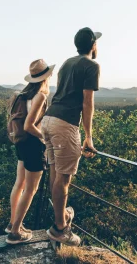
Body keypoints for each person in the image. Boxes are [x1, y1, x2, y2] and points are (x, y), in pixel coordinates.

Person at [43, 27, 102, 246]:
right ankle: (60, 229)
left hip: (48, 120)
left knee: (55, 173)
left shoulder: (67, 63)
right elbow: (87, 102)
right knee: (64, 178)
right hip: (65, 124)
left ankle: (61, 218)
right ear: (93, 45)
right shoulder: (92, 66)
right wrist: (89, 136)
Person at [6, 59, 55, 244]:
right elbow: (29, 125)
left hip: (21, 144)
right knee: (31, 189)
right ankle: (15, 233)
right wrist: (45, 138)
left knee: (19, 183)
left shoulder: (23, 94)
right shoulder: (41, 96)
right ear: (46, 77)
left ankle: (13, 224)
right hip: (33, 145)